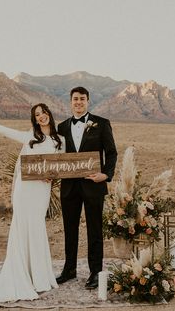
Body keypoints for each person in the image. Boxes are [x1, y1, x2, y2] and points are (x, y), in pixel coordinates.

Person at [0, 103, 65, 302]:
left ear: (49, 114)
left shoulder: (60, 140)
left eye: (43, 112)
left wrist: (54, 176)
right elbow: (5, 131)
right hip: (25, 188)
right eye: (37, 115)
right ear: (35, 119)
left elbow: (63, 164)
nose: (41, 116)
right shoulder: (30, 136)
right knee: (22, 227)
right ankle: (20, 274)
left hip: (42, 190)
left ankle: (39, 277)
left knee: (37, 226)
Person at [56, 86, 117, 289]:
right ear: (70, 101)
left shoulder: (101, 123)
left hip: (94, 185)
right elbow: (56, 157)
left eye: (82, 99)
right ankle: (69, 269)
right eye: (75, 99)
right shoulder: (62, 127)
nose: (79, 102)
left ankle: (96, 272)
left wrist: (106, 175)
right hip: (69, 187)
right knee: (69, 229)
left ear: (88, 101)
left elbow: (111, 152)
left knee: (94, 230)